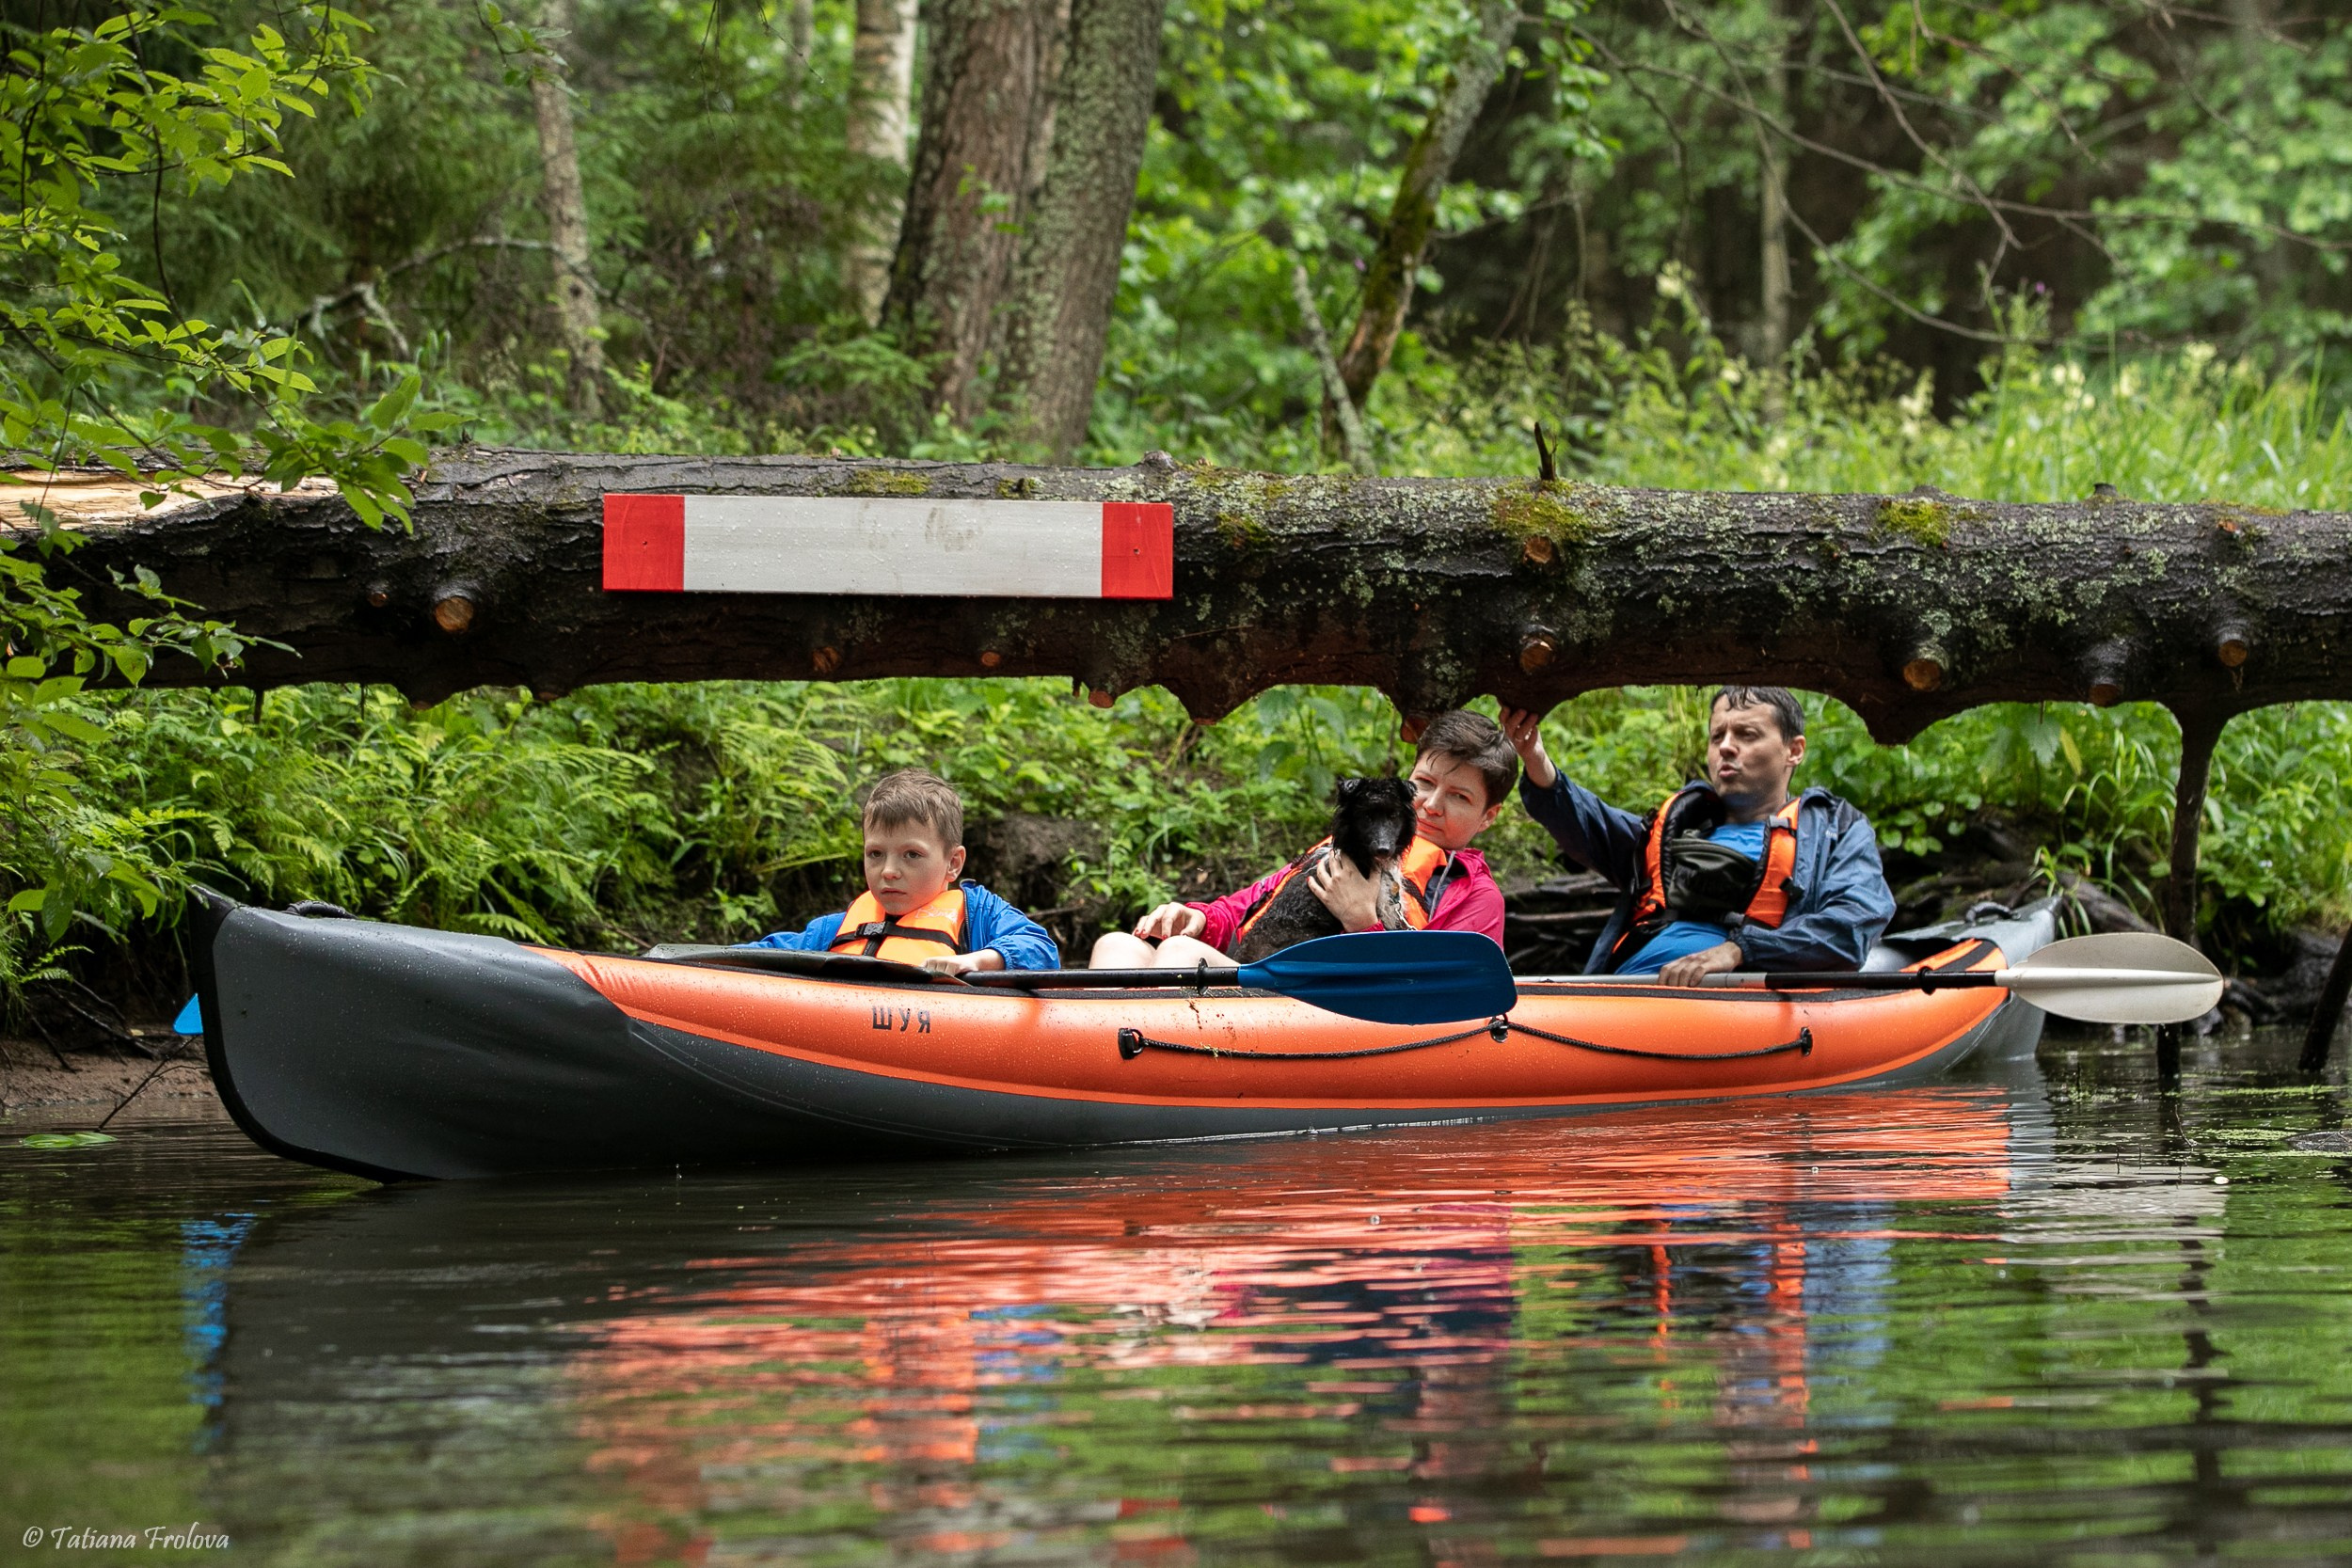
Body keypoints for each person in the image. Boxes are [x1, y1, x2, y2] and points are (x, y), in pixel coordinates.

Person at [1499, 687, 1894, 985]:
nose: (1726, 747)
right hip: (1629, 991)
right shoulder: (1678, 828)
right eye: (1716, 735)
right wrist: (1534, 757)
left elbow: (1852, 924)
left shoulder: (1832, 830)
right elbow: (1590, 823)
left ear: (1794, 750)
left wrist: (1738, 950)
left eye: (1747, 734)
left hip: (1743, 996)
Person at [1090, 709, 1515, 970]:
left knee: (1181, 958)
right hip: (1268, 974)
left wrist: (1361, 920)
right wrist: (1199, 920)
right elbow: (1247, 909)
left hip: (1334, 1008)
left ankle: (1148, 1078)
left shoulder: (1476, 896)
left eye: (1459, 797)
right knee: (1117, 945)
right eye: (1423, 783)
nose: (1431, 804)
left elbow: (1448, 995)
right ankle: (1099, 1071)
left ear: (1487, 818)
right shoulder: (1345, 846)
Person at [746, 768, 1059, 974]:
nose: (889, 871)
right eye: (876, 854)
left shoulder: (979, 912)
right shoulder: (833, 929)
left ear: (953, 863)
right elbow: (765, 953)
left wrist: (975, 960)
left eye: (912, 855)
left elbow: (1041, 949)